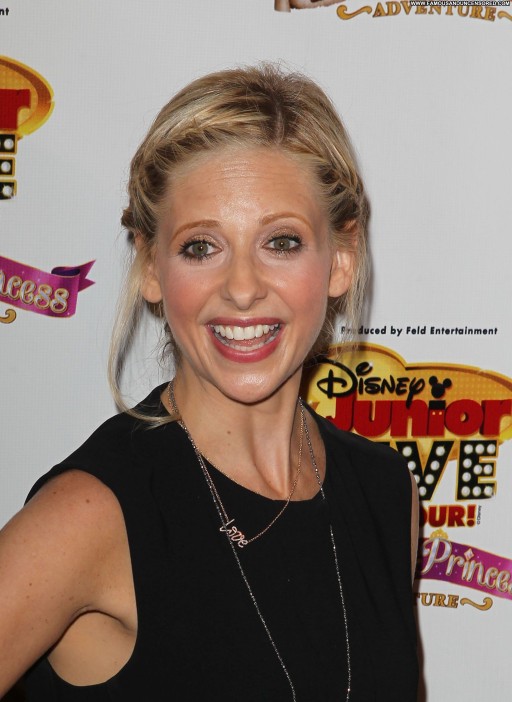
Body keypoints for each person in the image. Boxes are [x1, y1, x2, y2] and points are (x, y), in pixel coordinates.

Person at [0, 64, 419, 701]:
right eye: (201, 247)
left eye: (281, 242)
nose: (243, 288)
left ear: (341, 259)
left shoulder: (386, 492)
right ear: (150, 267)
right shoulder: (89, 516)